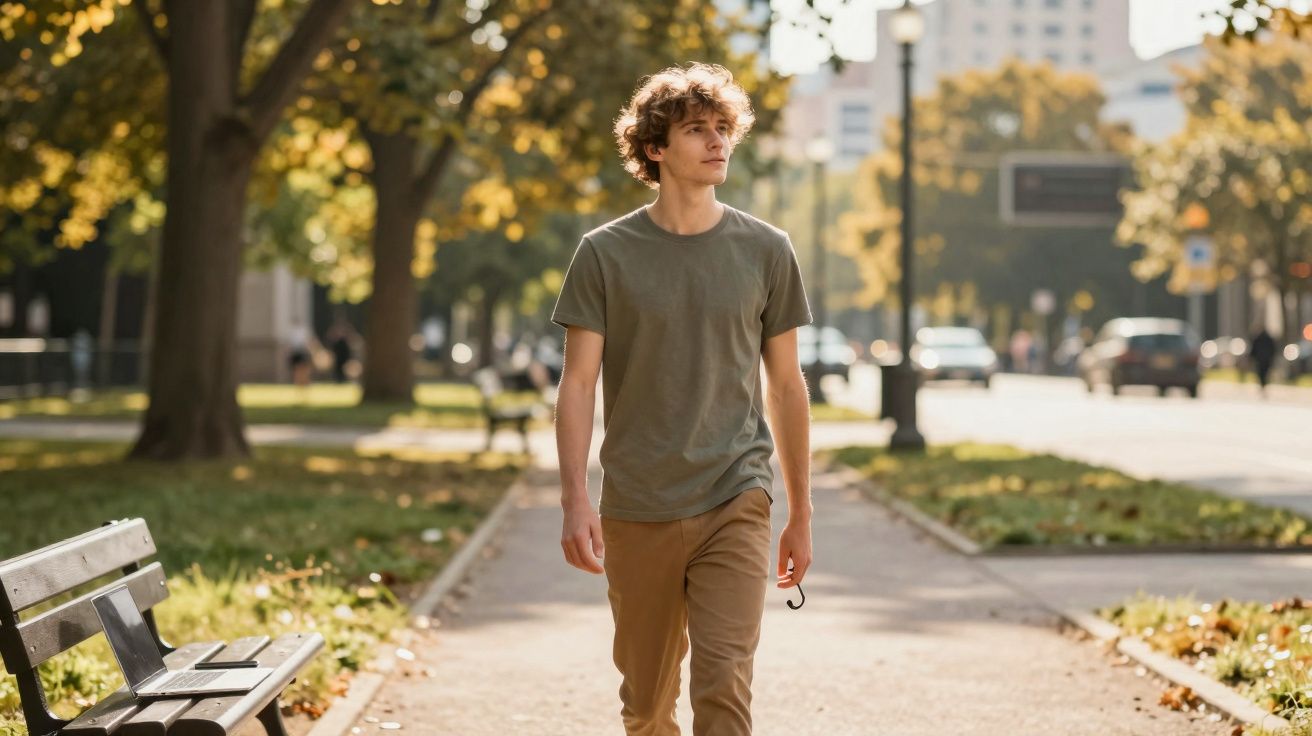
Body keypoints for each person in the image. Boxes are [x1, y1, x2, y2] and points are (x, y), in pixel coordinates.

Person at [550, 63, 814, 736]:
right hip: (639, 502)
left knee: (723, 684)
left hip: (737, 492)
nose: (718, 142)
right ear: (655, 148)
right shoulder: (603, 254)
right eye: (698, 130)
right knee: (647, 703)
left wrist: (800, 510)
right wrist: (575, 499)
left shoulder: (767, 250)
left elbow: (786, 386)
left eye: (724, 128)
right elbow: (578, 384)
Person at [1249, 324, 1276, 394]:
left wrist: (1252, 357)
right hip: (1266, 360)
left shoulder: (1258, 338)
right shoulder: (1268, 339)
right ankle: (1263, 385)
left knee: (1261, 373)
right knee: (1264, 373)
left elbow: (1253, 349)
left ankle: (1263, 385)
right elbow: (1273, 349)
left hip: (1260, 360)